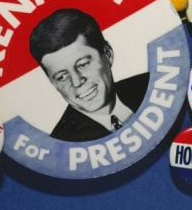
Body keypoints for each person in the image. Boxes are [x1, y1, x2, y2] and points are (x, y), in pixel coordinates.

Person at [29, 9, 149, 142]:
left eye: (83, 64)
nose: (76, 82)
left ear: (108, 53)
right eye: (61, 76)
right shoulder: (61, 143)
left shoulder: (150, 86)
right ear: (52, 82)